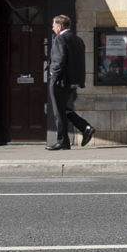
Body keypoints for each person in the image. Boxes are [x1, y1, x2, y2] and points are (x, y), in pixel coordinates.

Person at [45, 12, 93, 151]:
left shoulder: (60, 39)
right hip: (72, 81)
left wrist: (53, 73)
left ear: (60, 26)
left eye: (54, 25)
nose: (52, 28)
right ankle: (85, 127)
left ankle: (63, 141)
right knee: (62, 108)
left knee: (58, 111)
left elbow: (59, 60)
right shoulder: (77, 39)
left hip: (60, 80)